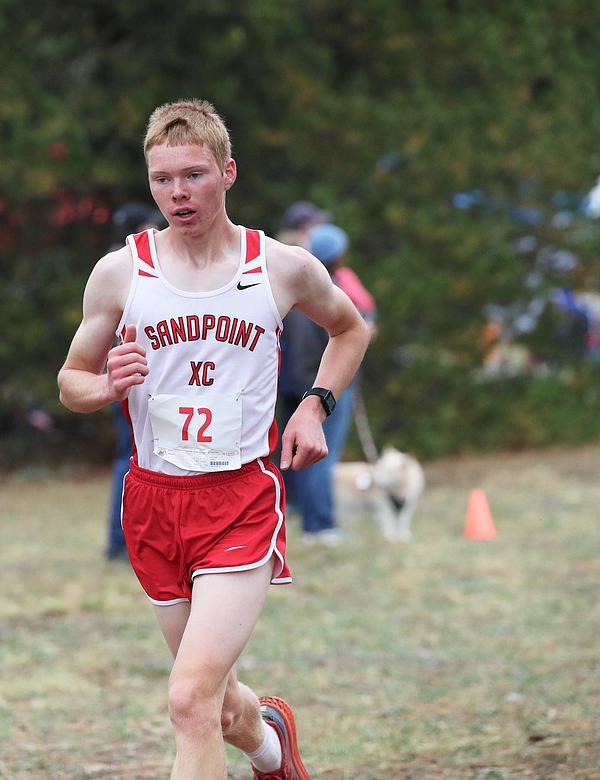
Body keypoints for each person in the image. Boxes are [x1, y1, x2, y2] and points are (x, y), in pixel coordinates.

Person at [57, 99, 369, 779]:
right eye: (162, 179)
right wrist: (107, 384)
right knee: (220, 707)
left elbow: (351, 329)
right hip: (152, 503)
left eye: (193, 175)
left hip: (239, 500)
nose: (178, 193)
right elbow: (70, 381)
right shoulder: (120, 273)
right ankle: (272, 747)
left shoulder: (281, 266)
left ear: (227, 173)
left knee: (187, 700)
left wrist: (314, 406)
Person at [277, 224, 374, 545]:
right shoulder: (331, 295)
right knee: (321, 455)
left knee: (290, 454)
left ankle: (291, 511)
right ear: (339, 256)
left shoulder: (291, 293)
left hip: (289, 383)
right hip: (322, 387)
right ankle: (319, 526)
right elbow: (351, 337)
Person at [105, 201, 165, 562]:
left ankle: (126, 540)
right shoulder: (124, 267)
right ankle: (122, 539)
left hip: (131, 377)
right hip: (131, 381)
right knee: (131, 460)